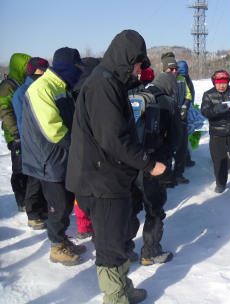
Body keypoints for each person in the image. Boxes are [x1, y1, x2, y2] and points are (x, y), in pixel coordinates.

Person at [66, 30, 178, 304]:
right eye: (139, 64)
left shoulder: (111, 83)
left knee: (122, 236)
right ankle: (115, 298)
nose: (140, 71)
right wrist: (150, 165)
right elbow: (113, 139)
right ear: (128, 59)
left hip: (111, 177)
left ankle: (123, 287)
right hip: (100, 181)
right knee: (111, 245)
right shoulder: (103, 86)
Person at [22, 47, 88, 266]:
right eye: (78, 67)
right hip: (48, 159)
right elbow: (53, 129)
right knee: (58, 204)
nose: (80, 71)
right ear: (67, 66)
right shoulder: (42, 88)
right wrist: (79, 147)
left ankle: (61, 240)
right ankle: (56, 246)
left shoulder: (62, 86)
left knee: (67, 201)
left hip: (61, 155)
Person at [131, 72, 183, 266]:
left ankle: (126, 249)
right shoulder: (168, 102)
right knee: (154, 209)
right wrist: (165, 154)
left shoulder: (136, 96)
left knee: (132, 206)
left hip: (133, 160)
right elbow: (176, 137)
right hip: (155, 164)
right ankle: (150, 252)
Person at [12, 57, 49, 229]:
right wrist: (26, 140)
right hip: (31, 141)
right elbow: (21, 120)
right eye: (41, 71)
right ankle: (33, 214)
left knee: (45, 177)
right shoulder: (22, 92)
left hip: (46, 141)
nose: (44, 74)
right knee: (34, 178)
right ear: (32, 71)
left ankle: (42, 208)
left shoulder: (44, 88)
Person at [201, 70, 230, 195]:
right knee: (219, 161)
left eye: (224, 83)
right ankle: (220, 183)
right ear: (214, 83)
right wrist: (215, 110)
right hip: (217, 133)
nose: (221, 86)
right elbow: (204, 111)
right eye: (219, 83)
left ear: (228, 82)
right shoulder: (208, 95)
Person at [72, 57, 102, 239]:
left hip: (76, 148)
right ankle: (94, 226)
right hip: (91, 147)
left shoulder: (73, 90)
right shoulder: (92, 91)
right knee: (94, 189)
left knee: (80, 188)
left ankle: (82, 226)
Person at [0, 53, 31, 212]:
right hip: (15, 134)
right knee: (19, 168)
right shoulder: (7, 85)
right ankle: (21, 200)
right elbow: (5, 110)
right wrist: (15, 134)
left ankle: (32, 197)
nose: (28, 71)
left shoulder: (25, 83)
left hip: (27, 131)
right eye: (25, 68)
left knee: (30, 167)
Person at [161, 52, 192, 184]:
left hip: (181, 119)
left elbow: (188, 95)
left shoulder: (182, 79)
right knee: (166, 149)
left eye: (176, 68)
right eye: (171, 68)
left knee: (182, 148)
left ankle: (179, 173)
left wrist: (185, 107)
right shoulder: (160, 80)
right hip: (167, 121)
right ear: (164, 69)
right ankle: (167, 175)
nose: (174, 71)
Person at [178, 60, 196, 167]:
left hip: (183, 111)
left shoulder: (178, 80)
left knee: (184, 137)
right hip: (186, 112)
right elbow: (191, 96)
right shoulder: (188, 81)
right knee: (185, 137)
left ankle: (185, 158)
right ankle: (186, 158)